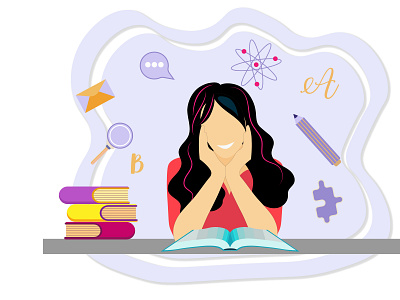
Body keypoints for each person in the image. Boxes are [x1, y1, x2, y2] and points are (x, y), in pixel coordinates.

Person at [167, 82, 295, 240]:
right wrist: (216, 174)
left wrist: (234, 175)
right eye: (210, 125)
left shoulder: (270, 169)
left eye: (230, 123)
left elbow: (269, 235)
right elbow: (181, 236)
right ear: (198, 132)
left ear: (246, 127)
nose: (222, 134)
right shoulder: (180, 168)